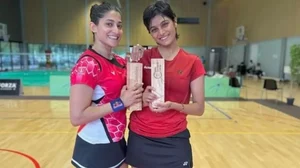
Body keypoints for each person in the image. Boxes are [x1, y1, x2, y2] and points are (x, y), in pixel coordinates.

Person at [125, 1, 206, 168]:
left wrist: (173, 106)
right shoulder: (142, 57)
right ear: (150, 33)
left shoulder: (193, 62)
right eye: (154, 29)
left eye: (165, 24)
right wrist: (141, 97)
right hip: (141, 137)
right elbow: (129, 103)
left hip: (175, 139)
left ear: (174, 21)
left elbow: (199, 108)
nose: (161, 32)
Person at [69, 2, 143, 168]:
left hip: (117, 141)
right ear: (93, 27)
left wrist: (138, 58)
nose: (116, 31)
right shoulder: (88, 64)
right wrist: (120, 103)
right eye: (109, 24)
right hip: (95, 146)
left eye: (119, 25)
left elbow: (134, 87)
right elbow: (77, 117)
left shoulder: (119, 61)